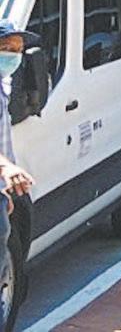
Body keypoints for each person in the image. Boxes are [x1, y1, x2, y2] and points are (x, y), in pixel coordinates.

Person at [0, 24, 37, 288]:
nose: (13, 55)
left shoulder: (4, 85)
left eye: (17, 49)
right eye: (5, 48)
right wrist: (6, 168)